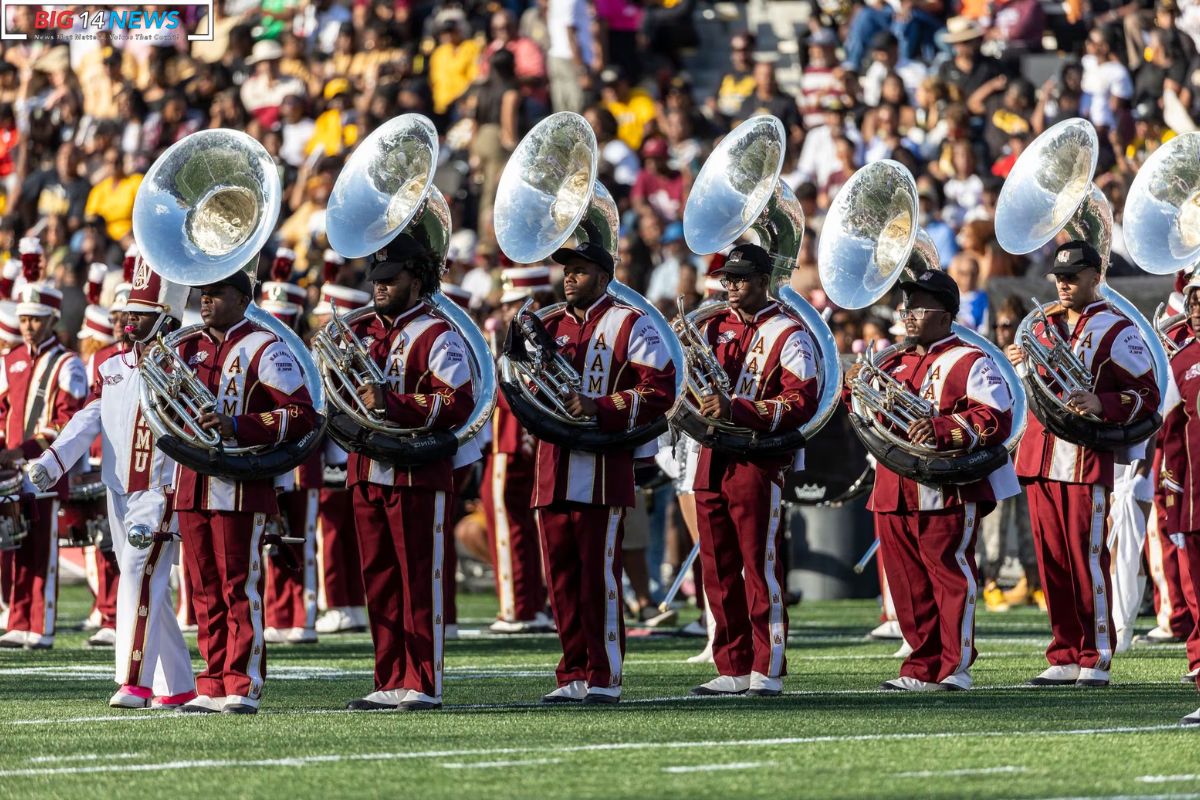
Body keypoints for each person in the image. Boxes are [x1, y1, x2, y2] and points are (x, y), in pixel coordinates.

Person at [27, 263, 196, 709]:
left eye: (139, 312)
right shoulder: (112, 365)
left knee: (139, 579)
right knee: (144, 584)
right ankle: (178, 684)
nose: (127, 320)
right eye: (126, 312)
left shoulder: (183, 364)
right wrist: (54, 460)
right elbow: (89, 417)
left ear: (163, 316)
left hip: (160, 489)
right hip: (118, 489)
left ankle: (134, 681)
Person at [848, 268, 1018, 691]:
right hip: (893, 484)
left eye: (919, 306)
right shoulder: (891, 360)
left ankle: (955, 665)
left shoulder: (971, 359)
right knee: (905, 583)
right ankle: (921, 665)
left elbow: (995, 418)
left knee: (949, 575)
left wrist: (945, 429)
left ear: (945, 315)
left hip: (947, 488)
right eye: (906, 305)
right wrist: (854, 387)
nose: (907, 314)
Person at [1007, 241, 1159, 687]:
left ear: (1096, 275)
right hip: (1039, 454)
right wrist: (1021, 364)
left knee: (1086, 559)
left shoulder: (1117, 329)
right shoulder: (1041, 325)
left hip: (1083, 459)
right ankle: (1065, 651)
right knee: (1051, 562)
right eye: (1058, 276)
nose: (1064, 284)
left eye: (1073, 276)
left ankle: (1095, 654)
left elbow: (1148, 395)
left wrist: (1101, 401)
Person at [532, 241, 676, 705]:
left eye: (579, 270)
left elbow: (659, 389)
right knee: (561, 582)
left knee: (599, 578)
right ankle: (571, 672)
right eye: (566, 271)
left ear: (603, 274)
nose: (569, 277)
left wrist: (602, 407)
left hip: (601, 469)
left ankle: (603, 674)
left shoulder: (631, 322)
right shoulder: (548, 325)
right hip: (551, 466)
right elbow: (520, 386)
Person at [171, 268, 320, 714]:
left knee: (239, 586)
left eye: (217, 293)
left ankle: (244, 682)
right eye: (203, 293)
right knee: (202, 591)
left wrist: (239, 425)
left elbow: (301, 415)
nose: (205, 299)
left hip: (239, 484)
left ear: (241, 297)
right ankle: (212, 680)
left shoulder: (265, 346)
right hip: (191, 484)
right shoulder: (187, 347)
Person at [343, 234, 476, 712]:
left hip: (418, 470)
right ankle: (389, 677)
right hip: (366, 467)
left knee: (419, 578)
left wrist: (393, 404)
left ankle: (423, 681)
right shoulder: (362, 333)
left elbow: (457, 401)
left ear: (416, 280)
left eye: (390, 279)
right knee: (378, 578)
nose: (378, 287)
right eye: (375, 279)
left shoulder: (438, 334)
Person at [685, 244, 819, 697]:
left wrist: (738, 408)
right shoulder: (712, 327)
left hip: (757, 457)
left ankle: (768, 664)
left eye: (741, 278)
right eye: (728, 279)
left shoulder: (789, 332)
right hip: (711, 456)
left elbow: (800, 401)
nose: (732, 287)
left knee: (759, 566)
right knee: (717, 568)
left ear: (764, 281)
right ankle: (733, 664)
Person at [0, 283, 87, 650]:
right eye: (24, 319)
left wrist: (21, 450)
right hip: (12, 470)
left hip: (45, 468)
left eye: (36, 320)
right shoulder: (10, 360)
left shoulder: (69, 363)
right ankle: (19, 621)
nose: (29, 326)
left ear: (51, 319)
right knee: (15, 548)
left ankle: (41, 625)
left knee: (42, 549)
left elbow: (68, 421)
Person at [484, 267, 553, 634]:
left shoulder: (532, 338)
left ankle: (518, 607)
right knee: (525, 526)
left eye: (513, 304)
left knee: (509, 523)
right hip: (517, 440)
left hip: (512, 441)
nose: (505, 311)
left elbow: (516, 392)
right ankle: (532, 604)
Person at [1158, 277, 1200, 723]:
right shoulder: (1182, 360)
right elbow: (1170, 439)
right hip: (1195, 503)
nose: (1198, 309)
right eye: (1194, 302)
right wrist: (1174, 501)